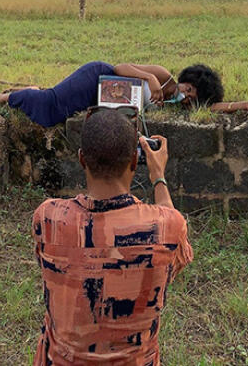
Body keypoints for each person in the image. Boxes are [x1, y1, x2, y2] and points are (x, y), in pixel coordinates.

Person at [32, 108, 192, 365]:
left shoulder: (48, 217)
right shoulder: (167, 227)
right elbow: (174, 236)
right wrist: (158, 177)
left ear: (82, 159)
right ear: (133, 160)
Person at [0, 61, 248, 128]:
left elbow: (213, 108)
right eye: (188, 89)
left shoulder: (178, 106)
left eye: (192, 97)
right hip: (98, 77)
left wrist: (244, 104)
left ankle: (33, 92)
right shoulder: (163, 76)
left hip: (101, 100)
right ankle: (6, 98)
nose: (186, 96)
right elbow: (121, 67)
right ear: (185, 81)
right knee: (51, 110)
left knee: (57, 113)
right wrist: (149, 80)